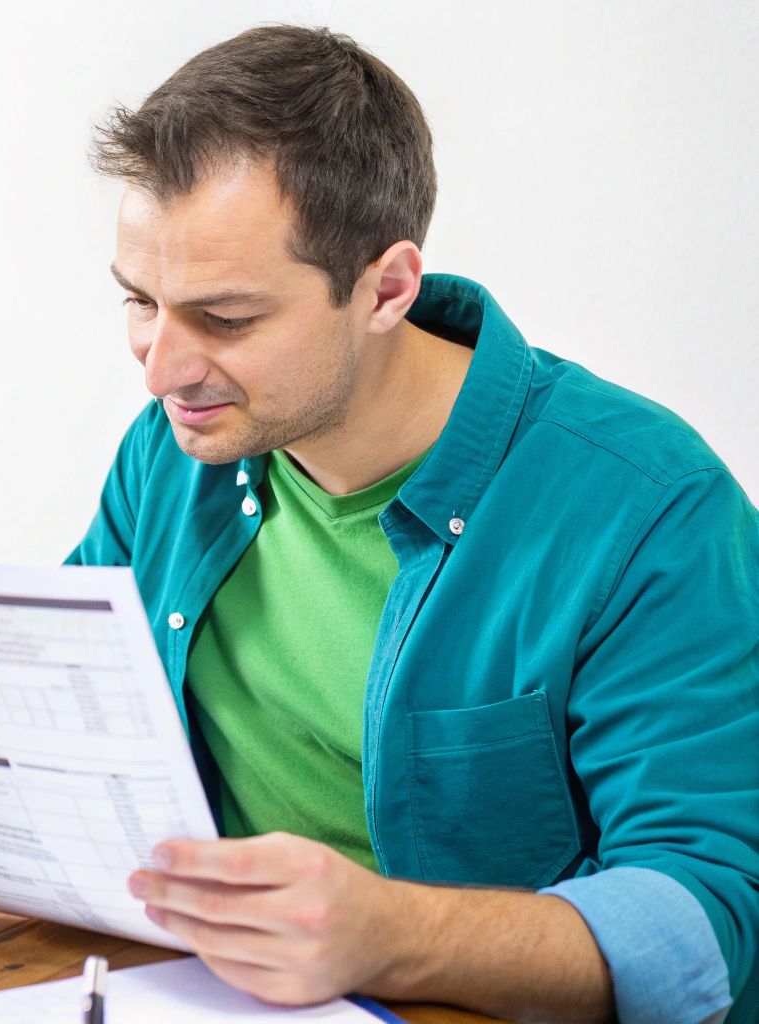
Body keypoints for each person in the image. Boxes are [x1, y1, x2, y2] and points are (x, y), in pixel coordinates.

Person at [68, 25, 756, 1024]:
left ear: (385, 287)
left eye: (223, 319)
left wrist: (385, 931)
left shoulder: (649, 507)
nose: (158, 367)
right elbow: (83, 705)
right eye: (139, 301)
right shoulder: (174, 450)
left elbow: (706, 915)